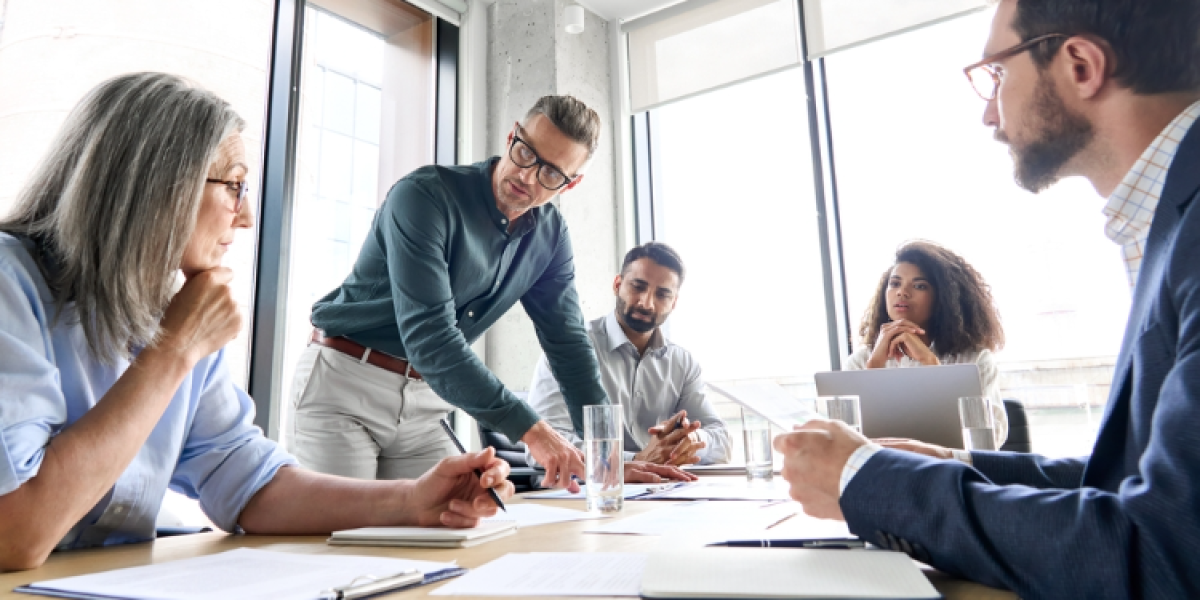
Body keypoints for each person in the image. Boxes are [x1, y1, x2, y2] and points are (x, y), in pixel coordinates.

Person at [0, 72, 513, 572]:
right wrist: (174, 352)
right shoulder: (11, 284)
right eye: (235, 187)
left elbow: (245, 481)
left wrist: (413, 501)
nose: (245, 219)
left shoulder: (176, 310)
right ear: (154, 186)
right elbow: (15, 533)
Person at [775, 0, 1200, 597]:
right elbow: (1133, 484)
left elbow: (1167, 554)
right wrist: (958, 464)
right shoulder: (1167, 223)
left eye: (996, 73)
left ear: (1080, 64)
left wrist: (867, 480)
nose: (988, 115)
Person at [290, 95, 688, 489]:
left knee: (456, 532)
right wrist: (533, 430)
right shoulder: (424, 197)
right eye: (526, 153)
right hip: (346, 385)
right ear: (513, 135)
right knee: (342, 540)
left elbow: (568, 346)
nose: (527, 177)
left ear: (572, 183)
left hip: (424, 404)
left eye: (552, 173)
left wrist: (608, 458)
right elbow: (432, 339)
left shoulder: (550, 236)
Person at [525, 242, 731, 473]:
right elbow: (545, 444)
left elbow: (722, 440)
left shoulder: (682, 363)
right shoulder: (568, 348)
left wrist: (691, 441)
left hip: (661, 491)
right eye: (638, 287)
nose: (647, 303)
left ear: (674, 303)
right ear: (617, 284)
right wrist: (635, 460)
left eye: (662, 294)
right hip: (587, 494)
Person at [847, 240, 1007, 446]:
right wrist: (873, 371)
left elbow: (990, 439)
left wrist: (931, 365)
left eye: (919, 286)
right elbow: (847, 444)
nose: (902, 292)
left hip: (949, 472)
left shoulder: (974, 359)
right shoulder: (861, 361)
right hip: (888, 472)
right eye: (895, 283)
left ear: (943, 298)